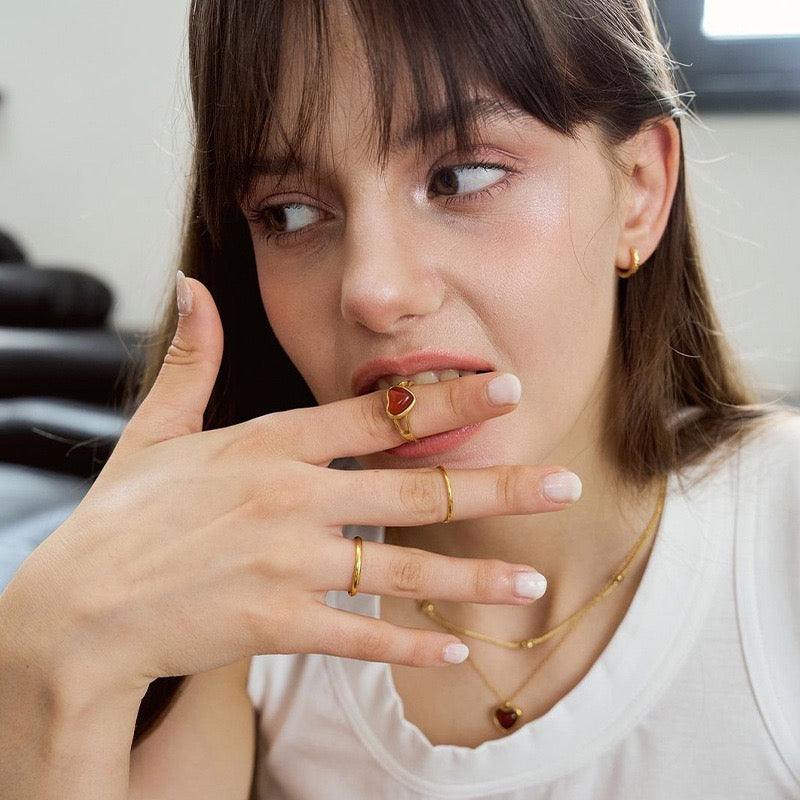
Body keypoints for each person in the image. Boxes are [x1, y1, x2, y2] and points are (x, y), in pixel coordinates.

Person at [1, 0, 798, 797]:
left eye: (463, 177)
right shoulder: (247, 592)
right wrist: (45, 652)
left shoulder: (777, 534)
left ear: (641, 191)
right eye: (291, 213)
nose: (371, 291)